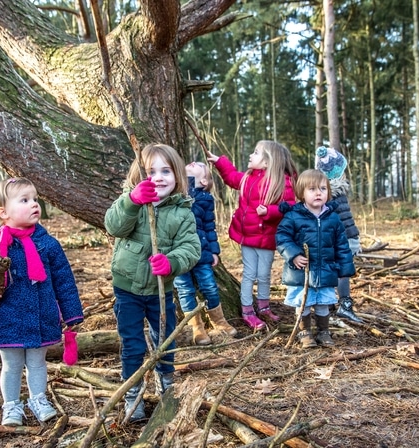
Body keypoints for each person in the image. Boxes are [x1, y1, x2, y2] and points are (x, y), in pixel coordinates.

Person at [0, 177, 84, 426]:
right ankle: (11, 405)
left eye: (35, 199)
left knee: (38, 363)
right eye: (25, 200)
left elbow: (64, 282)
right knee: (11, 364)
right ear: (3, 212)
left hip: (42, 316)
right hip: (8, 317)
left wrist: (72, 316)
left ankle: (38, 399)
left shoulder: (48, 244)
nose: (34, 204)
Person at [105, 143, 201, 422]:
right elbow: (114, 226)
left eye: (166, 171)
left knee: (165, 340)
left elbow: (191, 248)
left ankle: (166, 385)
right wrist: (132, 201)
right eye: (151, 171)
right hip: (127, 289)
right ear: (139, 175)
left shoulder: (182, 211)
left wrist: (172, 262)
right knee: (133, 344)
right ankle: (133, 394)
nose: (158, 177)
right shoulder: (130, 201)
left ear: (178, 176)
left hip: (161, 291)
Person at [207, 140, 297, 330]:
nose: (251, 155)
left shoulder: (283, 183)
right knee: (249, 274)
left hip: (267, 238)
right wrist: (219, 161)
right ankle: (247, 310)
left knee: (264, 275)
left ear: (267, 162)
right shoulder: (248, 178)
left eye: (256, 153)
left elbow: (289, 207)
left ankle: (264, 307)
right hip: (247, 235)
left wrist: (270, 212)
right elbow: (231, 177)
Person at [276, 169, 356, 348]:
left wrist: (345, 269)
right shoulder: (293, 216)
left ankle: (323, 332)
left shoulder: (333, 218)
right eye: (312, 189)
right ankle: (304, 332)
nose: (318, 193)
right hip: (301, 273)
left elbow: (342, 245)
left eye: (322, 188)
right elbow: (282, 237)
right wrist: (293, 254)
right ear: (301, 193)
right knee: (303, 303)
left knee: (323, 303)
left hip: (326, 270)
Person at [173, 161, 237, 345]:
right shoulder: (174, 194)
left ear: (203, 182)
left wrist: (214, 251)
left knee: (209, 287)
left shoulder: (204, 199)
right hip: (177, 255)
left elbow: (210, 228)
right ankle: (196, 327)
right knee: (185, 290)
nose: (193, 162)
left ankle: (219, 321)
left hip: (201, 253)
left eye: (200, 166)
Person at [315, 146, 364, 323]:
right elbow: (347, 220)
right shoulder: (339, 195)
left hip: (326, 240)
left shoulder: (320, 195)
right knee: (343, 271)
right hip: (341, 241)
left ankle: (327, 305)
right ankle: (344, 305)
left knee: (329, 271)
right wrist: (354, 240)